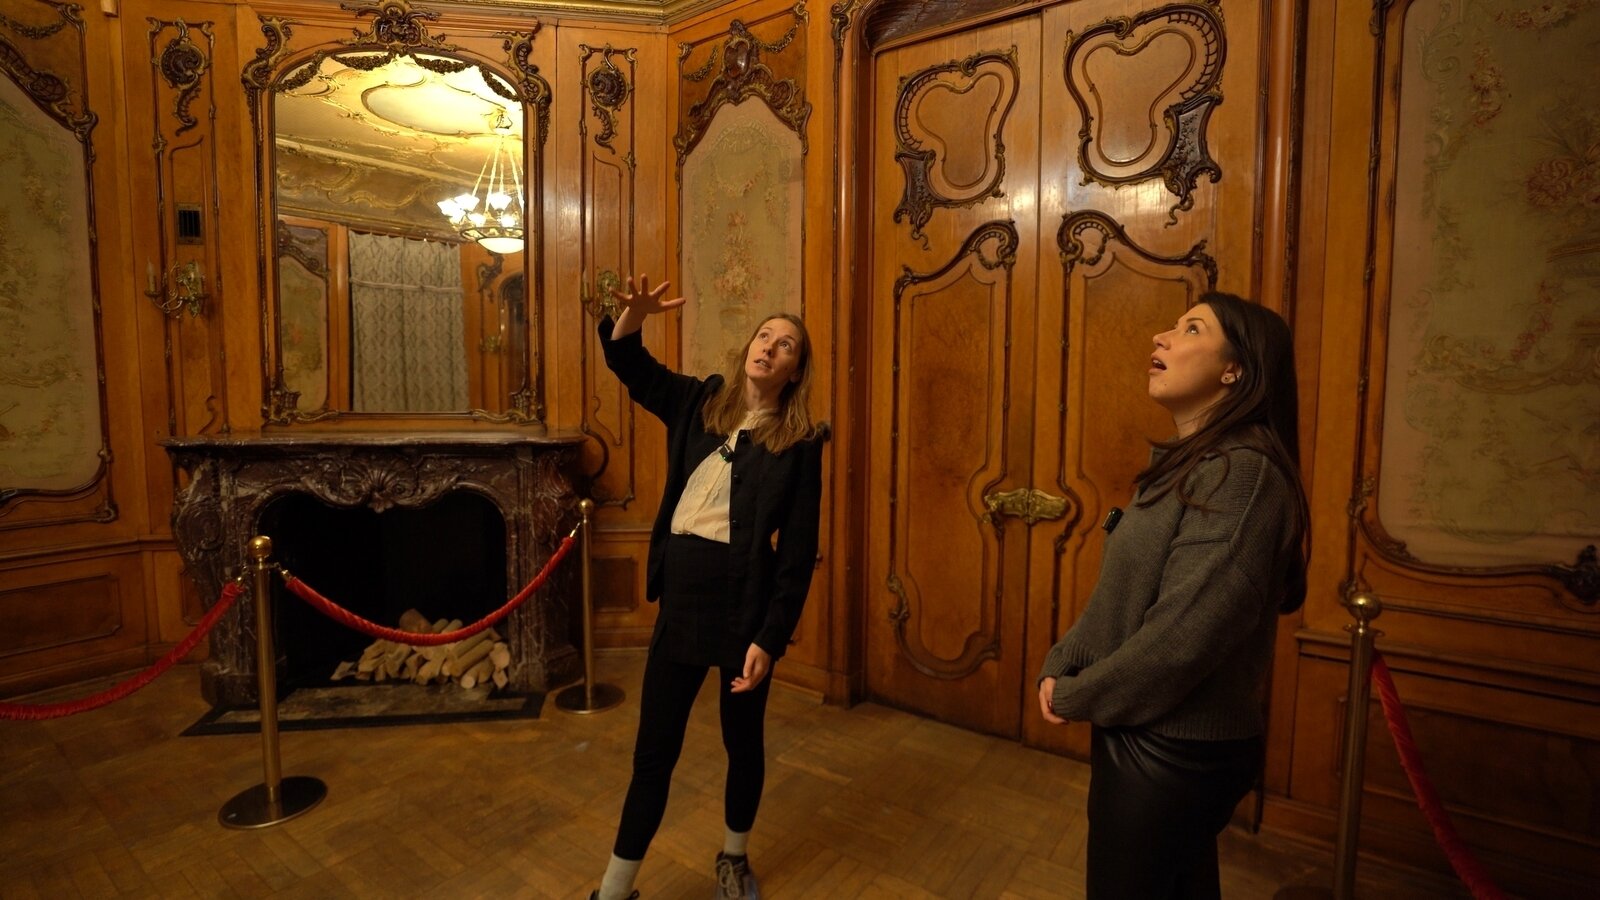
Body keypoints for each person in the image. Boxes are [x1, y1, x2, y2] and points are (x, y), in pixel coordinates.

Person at [1036, 292, 1310, 900]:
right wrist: (1065, 658)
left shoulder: (1243, 473)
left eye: (1191, 329)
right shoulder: (1187, 463)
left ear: (1235, 369)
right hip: (1145, 729)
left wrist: (1079, 692)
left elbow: (1182, 637)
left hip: (1177, 750)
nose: (1161, 337)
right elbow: (1122, 596)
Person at [590, 274, 827, 900]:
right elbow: (630, 365)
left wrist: (770, 639)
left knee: (741, 744)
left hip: (744, 614)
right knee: (653, 754)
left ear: (795, 372)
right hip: (682, 604)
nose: (769, 347)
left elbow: (796, 555)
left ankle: (734, 857)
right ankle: (614, 890)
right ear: (748, 346)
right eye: (764, 336)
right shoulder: (699, 401)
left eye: (785, 345)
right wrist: (634, 318)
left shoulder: (799, 445)